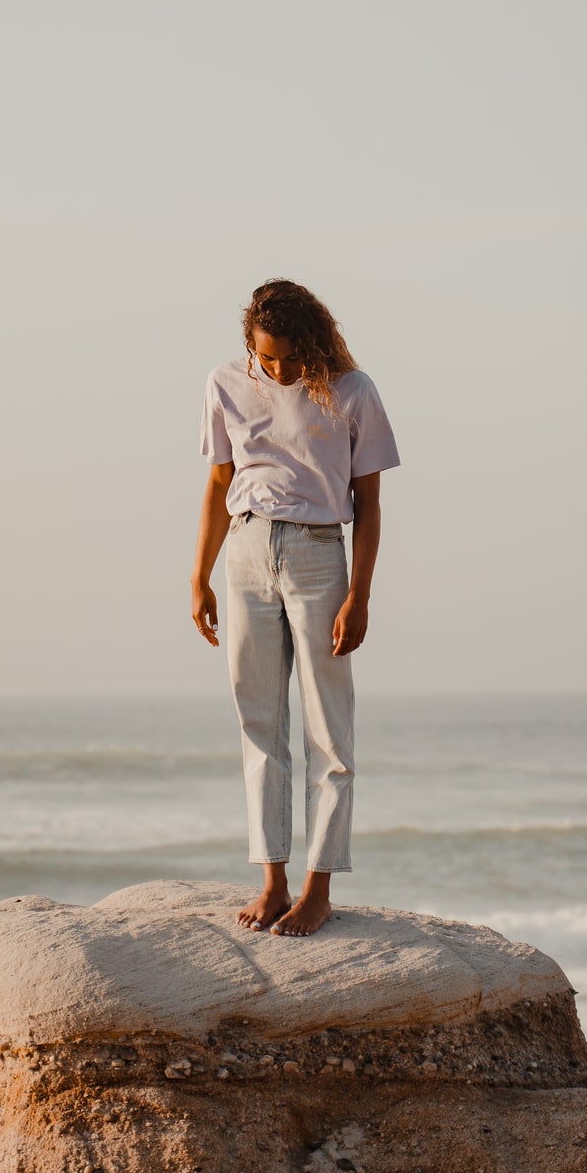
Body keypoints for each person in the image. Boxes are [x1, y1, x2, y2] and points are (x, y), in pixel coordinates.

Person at [191, 278, 400, 936]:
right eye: (267, 358)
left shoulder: (352, 391)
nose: (278, 370)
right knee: (259, 723)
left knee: (327, 731)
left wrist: (360, 595)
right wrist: (199, 576)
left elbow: (369, 503)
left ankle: (318, 889)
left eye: (290, 357)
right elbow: (218, 482)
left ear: (312, 342)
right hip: (246, 550)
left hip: (318, 556)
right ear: (250, 347)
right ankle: (273, 882)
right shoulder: (226, 382)